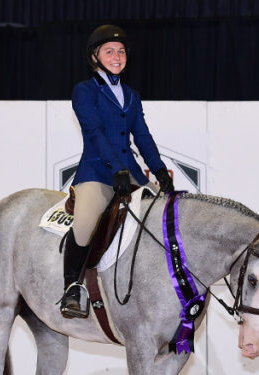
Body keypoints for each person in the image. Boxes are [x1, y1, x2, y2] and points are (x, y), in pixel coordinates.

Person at [60, 24, 175, 319]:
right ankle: (72, 287)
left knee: (161, 216)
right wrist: (116, 170)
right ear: (95, 57)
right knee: (85, 223)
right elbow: (95, 133)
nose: (117, 55)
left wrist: (159, 171)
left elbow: (143, 136)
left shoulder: (131, 95)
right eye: (109, 51)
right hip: (97, 173)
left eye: (121, 51)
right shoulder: (84, 91)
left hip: (132, 173)